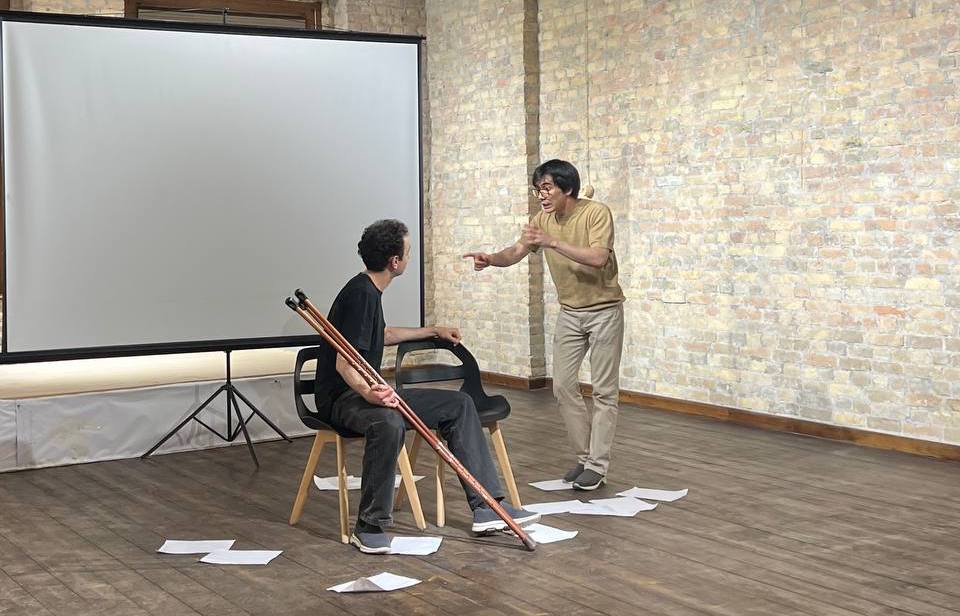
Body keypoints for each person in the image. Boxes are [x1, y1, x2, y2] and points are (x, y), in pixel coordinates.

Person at [314, 218, 540, 554]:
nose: (409, 257)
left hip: (366, 390)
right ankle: (369, 525)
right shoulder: (360, 294)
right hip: (343, 398)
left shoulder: (369, 290)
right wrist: (370, 393)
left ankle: (487, 507)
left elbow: (382, 335)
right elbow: (343, 364)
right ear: (395, 261)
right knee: (388, 422)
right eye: (407, 252)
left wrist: (432, 330)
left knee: (459, 404)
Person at [464, 159, 624, 491]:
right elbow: (516, 251)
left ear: (568, 188)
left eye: (547, 188)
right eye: (538, 189)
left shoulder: (596, 213)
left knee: (604, 391)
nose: (542, 195)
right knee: (562, 386)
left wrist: (552, 242)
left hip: (605, 311)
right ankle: (585, 459)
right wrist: (491, 259)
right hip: (570, 312)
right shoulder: (541, 219)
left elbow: (598, 258)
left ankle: (597, 465)